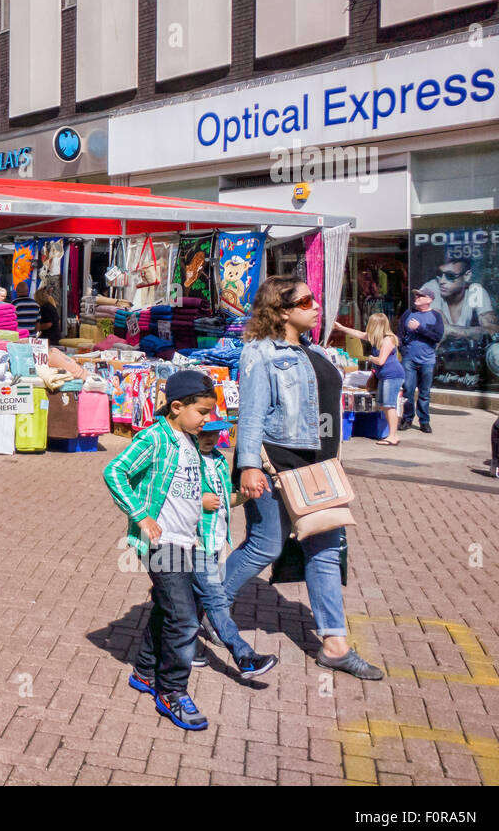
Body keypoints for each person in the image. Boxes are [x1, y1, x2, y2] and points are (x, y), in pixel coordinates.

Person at [230, 276, 382, 680]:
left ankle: (334, 646)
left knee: (326, 547)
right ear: (281, 311)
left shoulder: (316, 351)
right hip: (275, 463)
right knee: (265, 546)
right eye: (306, 301)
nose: (317, 306)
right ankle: (205, 606)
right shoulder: (261, 353)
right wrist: (248, 465)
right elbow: (251, 415)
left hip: (320, 467)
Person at [102, 369, 221, 730]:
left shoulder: (190, 442)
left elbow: (185, 494)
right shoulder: (155, 438)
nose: (207, 420)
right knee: (185, 618)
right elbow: (115, 471)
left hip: (188, 541)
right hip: (160, 543)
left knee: (169, 608)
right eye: (202, 412)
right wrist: (139, 515)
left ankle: (144, 671)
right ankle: (172, 691)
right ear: (176, 406)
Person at [191, 419, 278, 680]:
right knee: (215, 600)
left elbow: (224, 500)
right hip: (194, 544)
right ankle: (244, 656)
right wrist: (198, 501)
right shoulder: (184, 461)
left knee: (190, 601)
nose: (210, 438)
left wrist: (244, 495)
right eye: (203, 433)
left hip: (216, 541)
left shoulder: (217, 460)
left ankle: (185, 645)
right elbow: (166, 498)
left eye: (215, 432)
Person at [335, 314, 405, 444]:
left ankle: (393, 436)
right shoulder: (375, 338)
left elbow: (381, 360)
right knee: (384, 405)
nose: (368, 326)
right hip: (384, 376)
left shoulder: (388, 340)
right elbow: (358, 333)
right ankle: (391, 434)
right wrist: (341, 328)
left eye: (370, 323)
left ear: (376, 325)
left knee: (390, 405)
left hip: (393, 375)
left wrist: (370, 358)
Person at [396, 287, 444, 434]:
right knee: (408, 390)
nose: (416, 297)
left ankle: (424, 421)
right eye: (416, 295)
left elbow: (437, 337)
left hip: (427, 360)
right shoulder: (408, 314)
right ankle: (407, 419)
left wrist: (419, 328)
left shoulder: (436, 316)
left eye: (420, 296)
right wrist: (405, 353)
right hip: (409, 359)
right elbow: (399, 335)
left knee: (424, 393)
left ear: (429, 300)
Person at [422, 257, 498, 329]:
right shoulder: (430, 288)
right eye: (439, 274)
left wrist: (488, 325)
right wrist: (475, 333)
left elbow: (492, 330)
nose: (442, 281)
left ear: (467, 276)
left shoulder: (476, 291)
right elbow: (442, 330)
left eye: (450, 276)